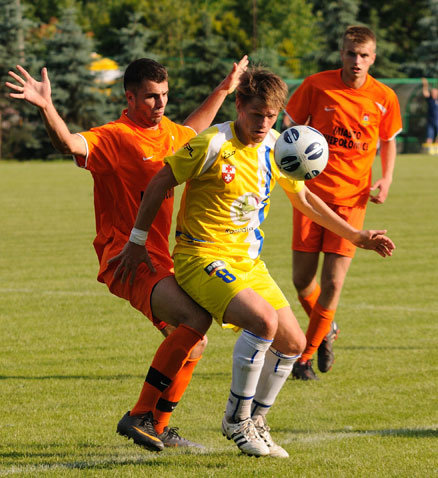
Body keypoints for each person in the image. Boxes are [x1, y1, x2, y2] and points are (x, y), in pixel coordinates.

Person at [109, 67, 395, 457]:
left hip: (248, 263)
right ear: (240, 104)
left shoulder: (277, 146)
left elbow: (306, 200)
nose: (263, 123)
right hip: (201, 256)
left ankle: (257, 420)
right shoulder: (212, 143)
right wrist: (137, 241)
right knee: (263, 321)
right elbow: (160, 182)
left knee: (293, 342)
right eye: (257, 113)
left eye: (271, 115)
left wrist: (358, 236)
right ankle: (237, 419)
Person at [6, 55, 248, 451]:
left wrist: (224, 87)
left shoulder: (169, 133)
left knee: (193, 340)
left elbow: (192, 128)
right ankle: (139, 415)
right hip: (126, 257)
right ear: (130, 97)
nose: (160, 104)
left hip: (157, 258)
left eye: (165, 96)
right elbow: (68, 143)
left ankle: (157, 426)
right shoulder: (114, 136)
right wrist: (47, 106)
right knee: (195, 318)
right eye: (151, 97)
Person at [283, 25, 402, 381]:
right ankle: (327, 328)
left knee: (333, 284)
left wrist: (387, 177)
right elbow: (290, 124)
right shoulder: (316, 85)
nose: (357, 61)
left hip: (352, 201)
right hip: (310, 196)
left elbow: (389, 138)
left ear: (373, 58)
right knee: (302, 281)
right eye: (351, 53)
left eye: (364, 55)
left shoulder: (384, 96)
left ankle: (304, 357)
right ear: (342, 53)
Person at [421, 77, 438, 144]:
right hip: (431, 120)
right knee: (429, 136)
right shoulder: (430, 99)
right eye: (432, 92)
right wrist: (425, 84)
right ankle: (428, 151)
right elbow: (425, 93)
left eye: (435, 92)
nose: (434, 93)